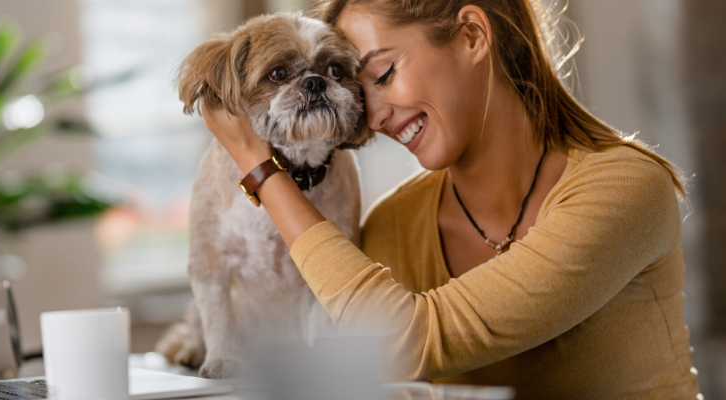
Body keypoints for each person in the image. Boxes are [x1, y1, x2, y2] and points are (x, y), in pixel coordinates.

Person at [199, 0, 700, 398]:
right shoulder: (396, 221)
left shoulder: (624, 187)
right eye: (362, 88)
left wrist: (260, 167)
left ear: (472, 36)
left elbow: (409, 340)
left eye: (385, 73)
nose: (373, 117)